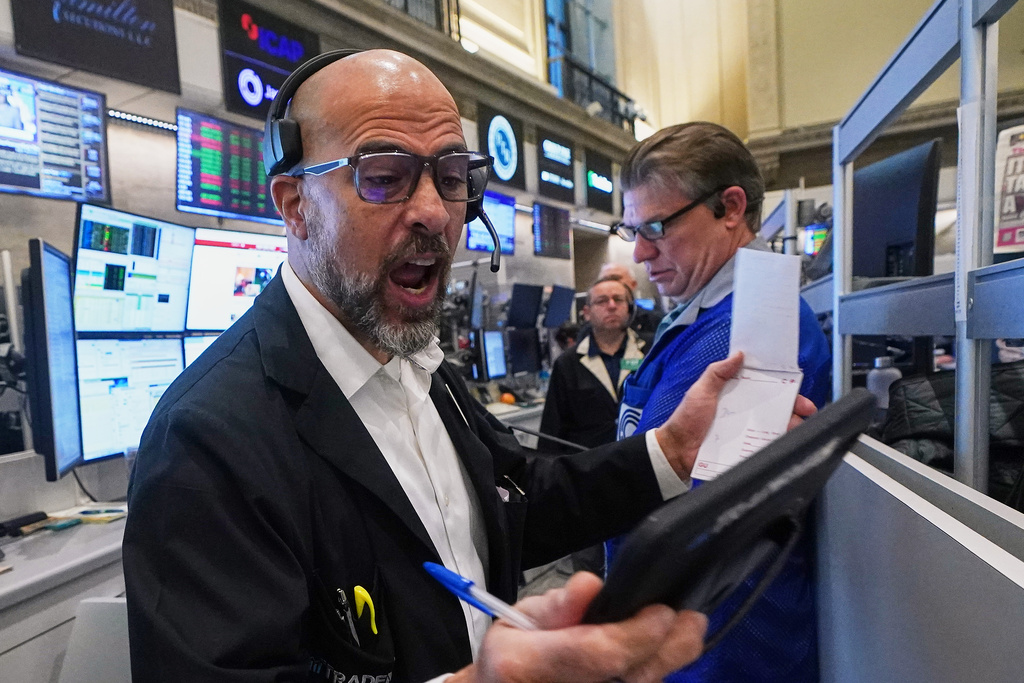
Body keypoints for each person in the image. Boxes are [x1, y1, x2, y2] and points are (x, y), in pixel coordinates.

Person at [123, 51, 813, 683]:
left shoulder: (420, 367)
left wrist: (671, 450)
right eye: (384, 176)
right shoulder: (206, 440)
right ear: (295, 206)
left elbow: (515, 503)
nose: (433, 212)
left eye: (452, 177)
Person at [608, 121, 832, 683]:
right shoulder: (703, 314)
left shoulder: (752, 330)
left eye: (656, 227)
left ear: (730, 207)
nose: (639, 251)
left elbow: (700, 525)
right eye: (632, 229)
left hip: (722, 650)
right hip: (689, 639)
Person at [540, 276, 646, 452]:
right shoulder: (567, 363)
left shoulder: (650, 353)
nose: (612, 306)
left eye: (618, 300)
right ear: (587, 313)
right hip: (588, 468)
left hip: (640, 460)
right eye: (602, 301)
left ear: (629, 309)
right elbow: (552, 430)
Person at [597, 262, 663, 344]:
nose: (611, 285)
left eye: (615, 279)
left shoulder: (657, 322)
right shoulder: (591, 328)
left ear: (633, 284)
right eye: (605, 280)